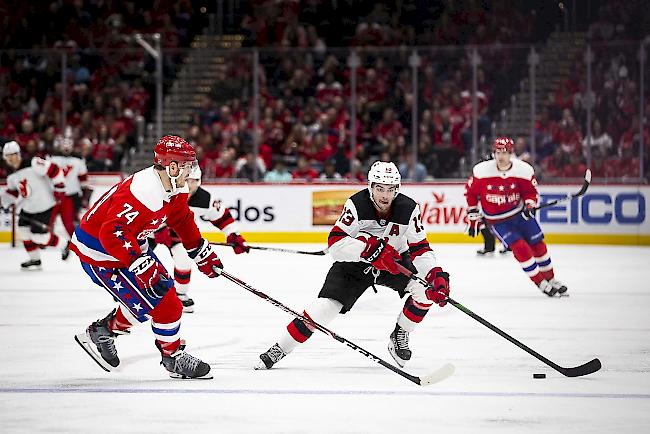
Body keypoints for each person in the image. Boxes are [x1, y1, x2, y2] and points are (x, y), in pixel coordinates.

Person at [255, 161, 451, 370]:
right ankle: (280, 348)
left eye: (390, 189)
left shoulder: (409, 208)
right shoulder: (357, 204)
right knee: (324, 309)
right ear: (370, 186)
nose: (385, 196)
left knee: (426, 291)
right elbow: (336, 244)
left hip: (393, 262)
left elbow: (420, 248)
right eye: (379, 189)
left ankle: (401, 333)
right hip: (355, 266)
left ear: (398, 189)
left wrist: (433, 273)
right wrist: (367, 249)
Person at [70, 135, 223, 379]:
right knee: (167, 305)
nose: (192, 171)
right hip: (101, 251)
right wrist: (139, 264)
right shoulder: (143, 190)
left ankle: (102, 332)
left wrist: (199, 250)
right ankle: (172, 358)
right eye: (187, 165)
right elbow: (111, 232)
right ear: (171, 166)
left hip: (129, 244)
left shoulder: (176, 184)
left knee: (158, 295)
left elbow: (181, 218)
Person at [464, 137, 567, 296]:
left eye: (504, 152)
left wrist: (530, 205)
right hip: (498, 221)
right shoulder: (482, 171)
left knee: (538, 246)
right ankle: (541, 282)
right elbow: (471, 193)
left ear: (511, 153)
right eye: (497, 152)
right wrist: (472, 213)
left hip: (520, 216)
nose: (500, 156)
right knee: (520, 248)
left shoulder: (523, 170)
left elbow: (530, 193)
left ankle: (551, 279)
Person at [151, 165, 250, 312]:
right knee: (135, 259)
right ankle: (129, 286)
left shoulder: (205, 199)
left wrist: (234, 235)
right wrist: (159, 229)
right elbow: (148, 210)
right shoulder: (166, 191)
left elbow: (223, 217)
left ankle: (179, 295)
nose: (191, 185)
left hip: (179, 235)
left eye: (195, 181)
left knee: (184, 263)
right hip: (147, 231)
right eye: (188, 180)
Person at [0, 140, 67, 269]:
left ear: (18, 154)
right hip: (28, 207)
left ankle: (64, 244)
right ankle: (35, 260)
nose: (10, 158)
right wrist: (4, 203)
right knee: (23, 232)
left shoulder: (33, 163)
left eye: (12, 155)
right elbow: (12, 192)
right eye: (7, 156)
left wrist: (60, 190)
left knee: (39, 236)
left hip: (44, 205)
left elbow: (54, 169)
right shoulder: (10, 175)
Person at [49, 135, 93, 260]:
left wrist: (85, 196)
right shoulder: (53, 159)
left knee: (70, 222)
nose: (66, 149)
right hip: (54, 196)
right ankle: (49, 240)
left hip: (70, 197)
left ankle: (77, 241)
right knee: (49, 220)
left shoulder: (78, 160)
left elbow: (83, 180)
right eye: (64, 146)